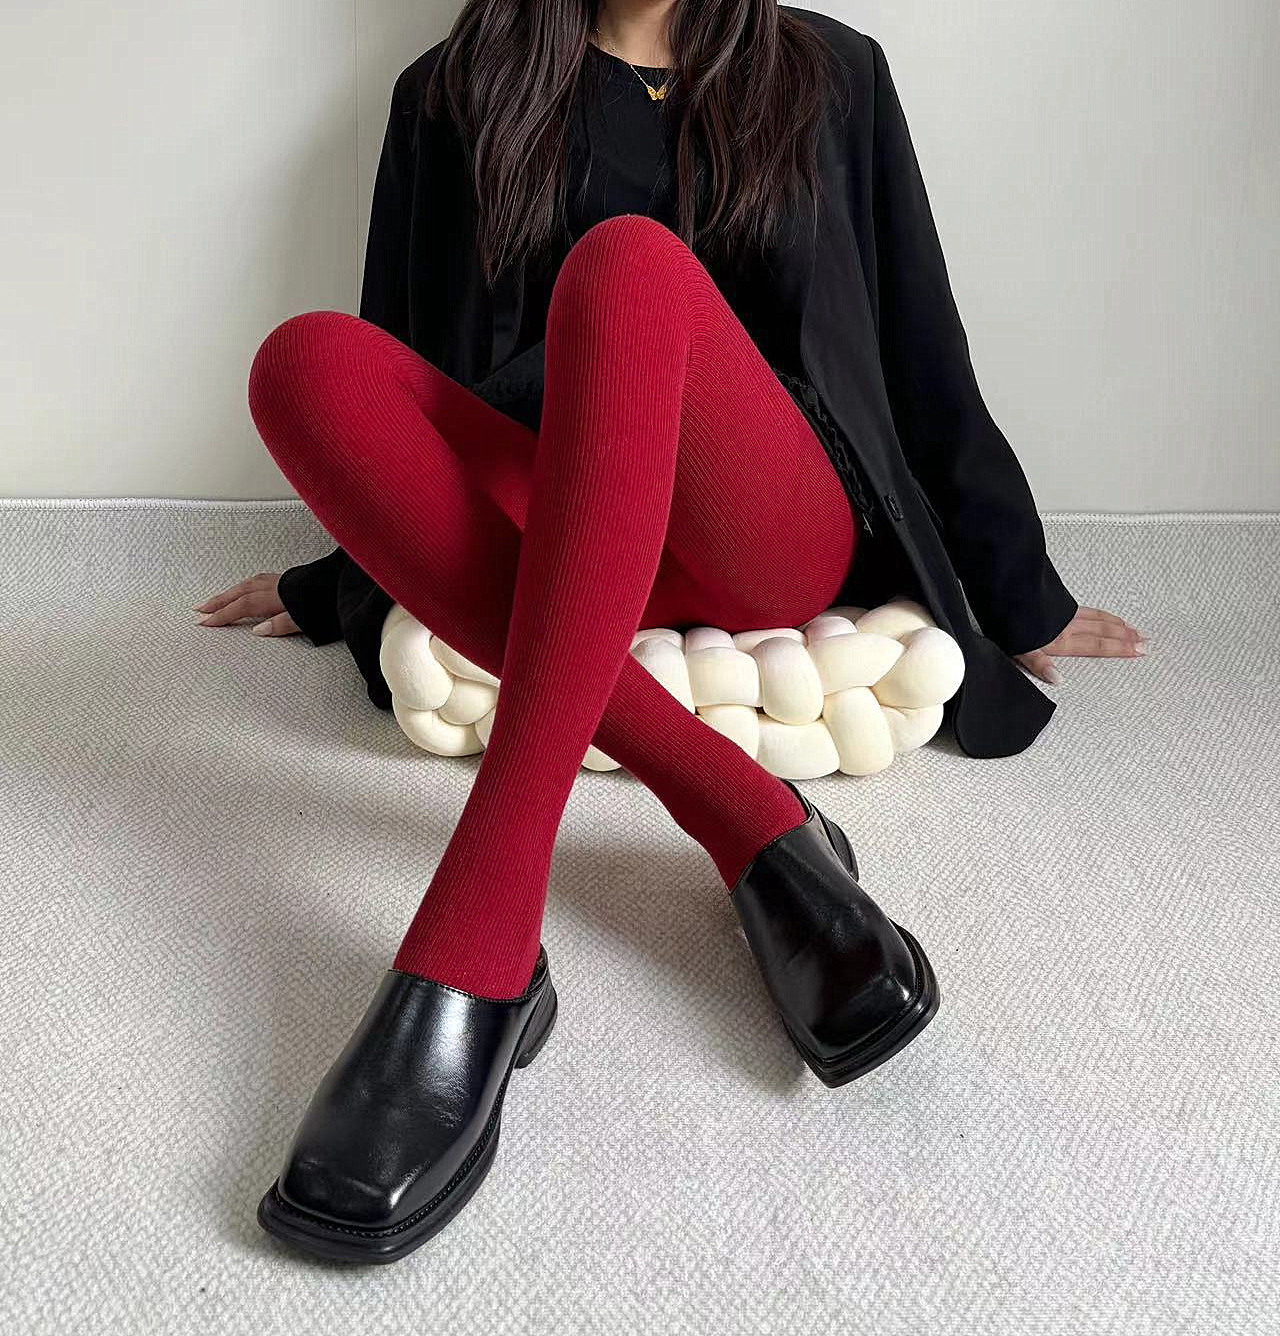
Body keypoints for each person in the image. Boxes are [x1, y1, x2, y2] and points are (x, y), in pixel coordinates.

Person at [198, 1, 1144, 1263]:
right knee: (308, 362)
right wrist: (335, 584)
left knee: (628, 268)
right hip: (569, 524)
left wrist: (1021, 595)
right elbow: (410, 360)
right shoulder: (452, 88)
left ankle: (479, 937)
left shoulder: (833, 73)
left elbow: (924, 356)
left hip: (767, 530)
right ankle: (745, 813)